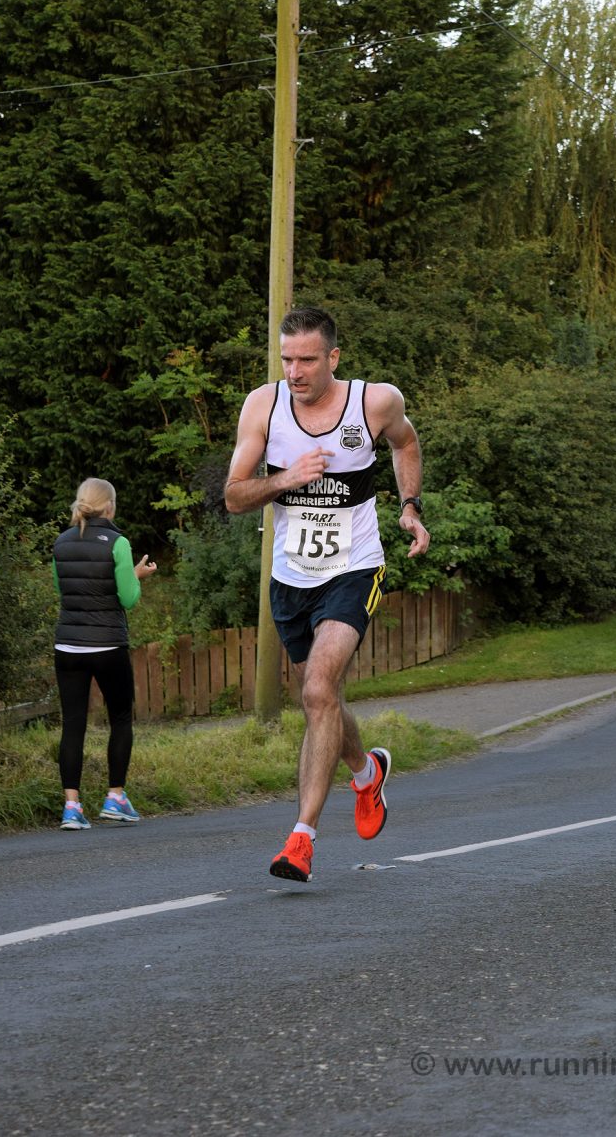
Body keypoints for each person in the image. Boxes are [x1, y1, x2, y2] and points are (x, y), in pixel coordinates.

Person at [225, 306, 430, 882]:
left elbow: (406, 445)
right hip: (292, 579)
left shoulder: (374, 402)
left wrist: (409, 506)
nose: (294, 372)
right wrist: (286, 478)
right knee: (322, 701)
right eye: (286, 359)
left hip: (354, 569)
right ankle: (367, 773)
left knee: (318, 689)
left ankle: (301, 840)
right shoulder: (262, 406)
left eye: (307, 360)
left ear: (333, 357)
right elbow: (234, 496)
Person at [52, 477, 157, 830]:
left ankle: (71, 807)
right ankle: (115, 797)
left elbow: (64, 590)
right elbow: (127, 598)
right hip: (108, 644)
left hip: (68, 645)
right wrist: (135, 576)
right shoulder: (117, 542)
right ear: (109, 506)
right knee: (121, 718)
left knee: (73, 724)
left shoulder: (61, 542)